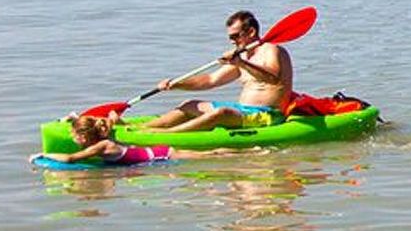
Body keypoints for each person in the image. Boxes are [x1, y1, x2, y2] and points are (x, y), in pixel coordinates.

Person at [144, 10, 295, 133]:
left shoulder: (271, 49)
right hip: (243, 110)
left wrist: (241, 63)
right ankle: (144, 128)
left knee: (221, 113)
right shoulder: (242, 56)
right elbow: (210, 80)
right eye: (230, 37)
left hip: (267, 115)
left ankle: (168, 134)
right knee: (190, 105)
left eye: (236, 36)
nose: (232, 41)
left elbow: (273, 78)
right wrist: (176, 84)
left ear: (251, 32)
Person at [51, 113, 170, 166]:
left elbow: (69, 158)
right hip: (159, 153)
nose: (72, 137)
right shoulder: (104, 136)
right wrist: (71, 118)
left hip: (162, 156)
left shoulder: (102, 145)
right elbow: (109, 117)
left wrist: (44, 155)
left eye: (73, 134)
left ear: (83, 136)